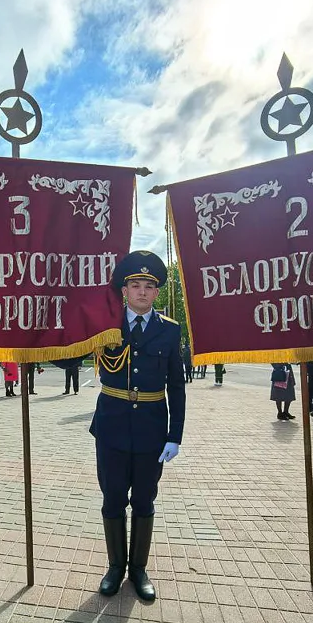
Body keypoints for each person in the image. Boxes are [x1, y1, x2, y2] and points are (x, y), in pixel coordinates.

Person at [91, 251, 185, 602]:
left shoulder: (169, 330)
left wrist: (175, 435)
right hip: (112, 427)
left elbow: (176, 386)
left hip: (151, 429)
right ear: (124, 290)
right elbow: (70, 353)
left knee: (144, 500)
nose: (142, 291)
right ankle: (116, 567)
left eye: (148, 285)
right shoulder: (106, 326)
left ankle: (138, 569)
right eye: (135, 285)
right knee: (113, 498)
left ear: (156, 292)